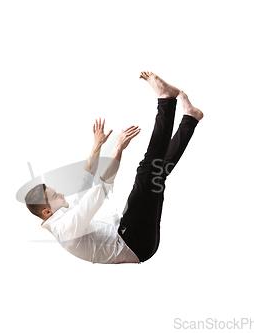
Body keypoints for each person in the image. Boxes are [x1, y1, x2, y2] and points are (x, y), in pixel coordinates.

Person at [25, 71, 203, 264]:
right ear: (46, 211)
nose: (60, 194)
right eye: (54, 196)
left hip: (135, 239)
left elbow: (85, 180)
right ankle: (166, 100)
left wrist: (97, 144)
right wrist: (118, 147)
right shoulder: (66, 229)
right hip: (134, 241)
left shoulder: (63, 218)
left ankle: (190, 118)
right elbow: (99, 190)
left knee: (156, 176)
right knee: (147, 171)